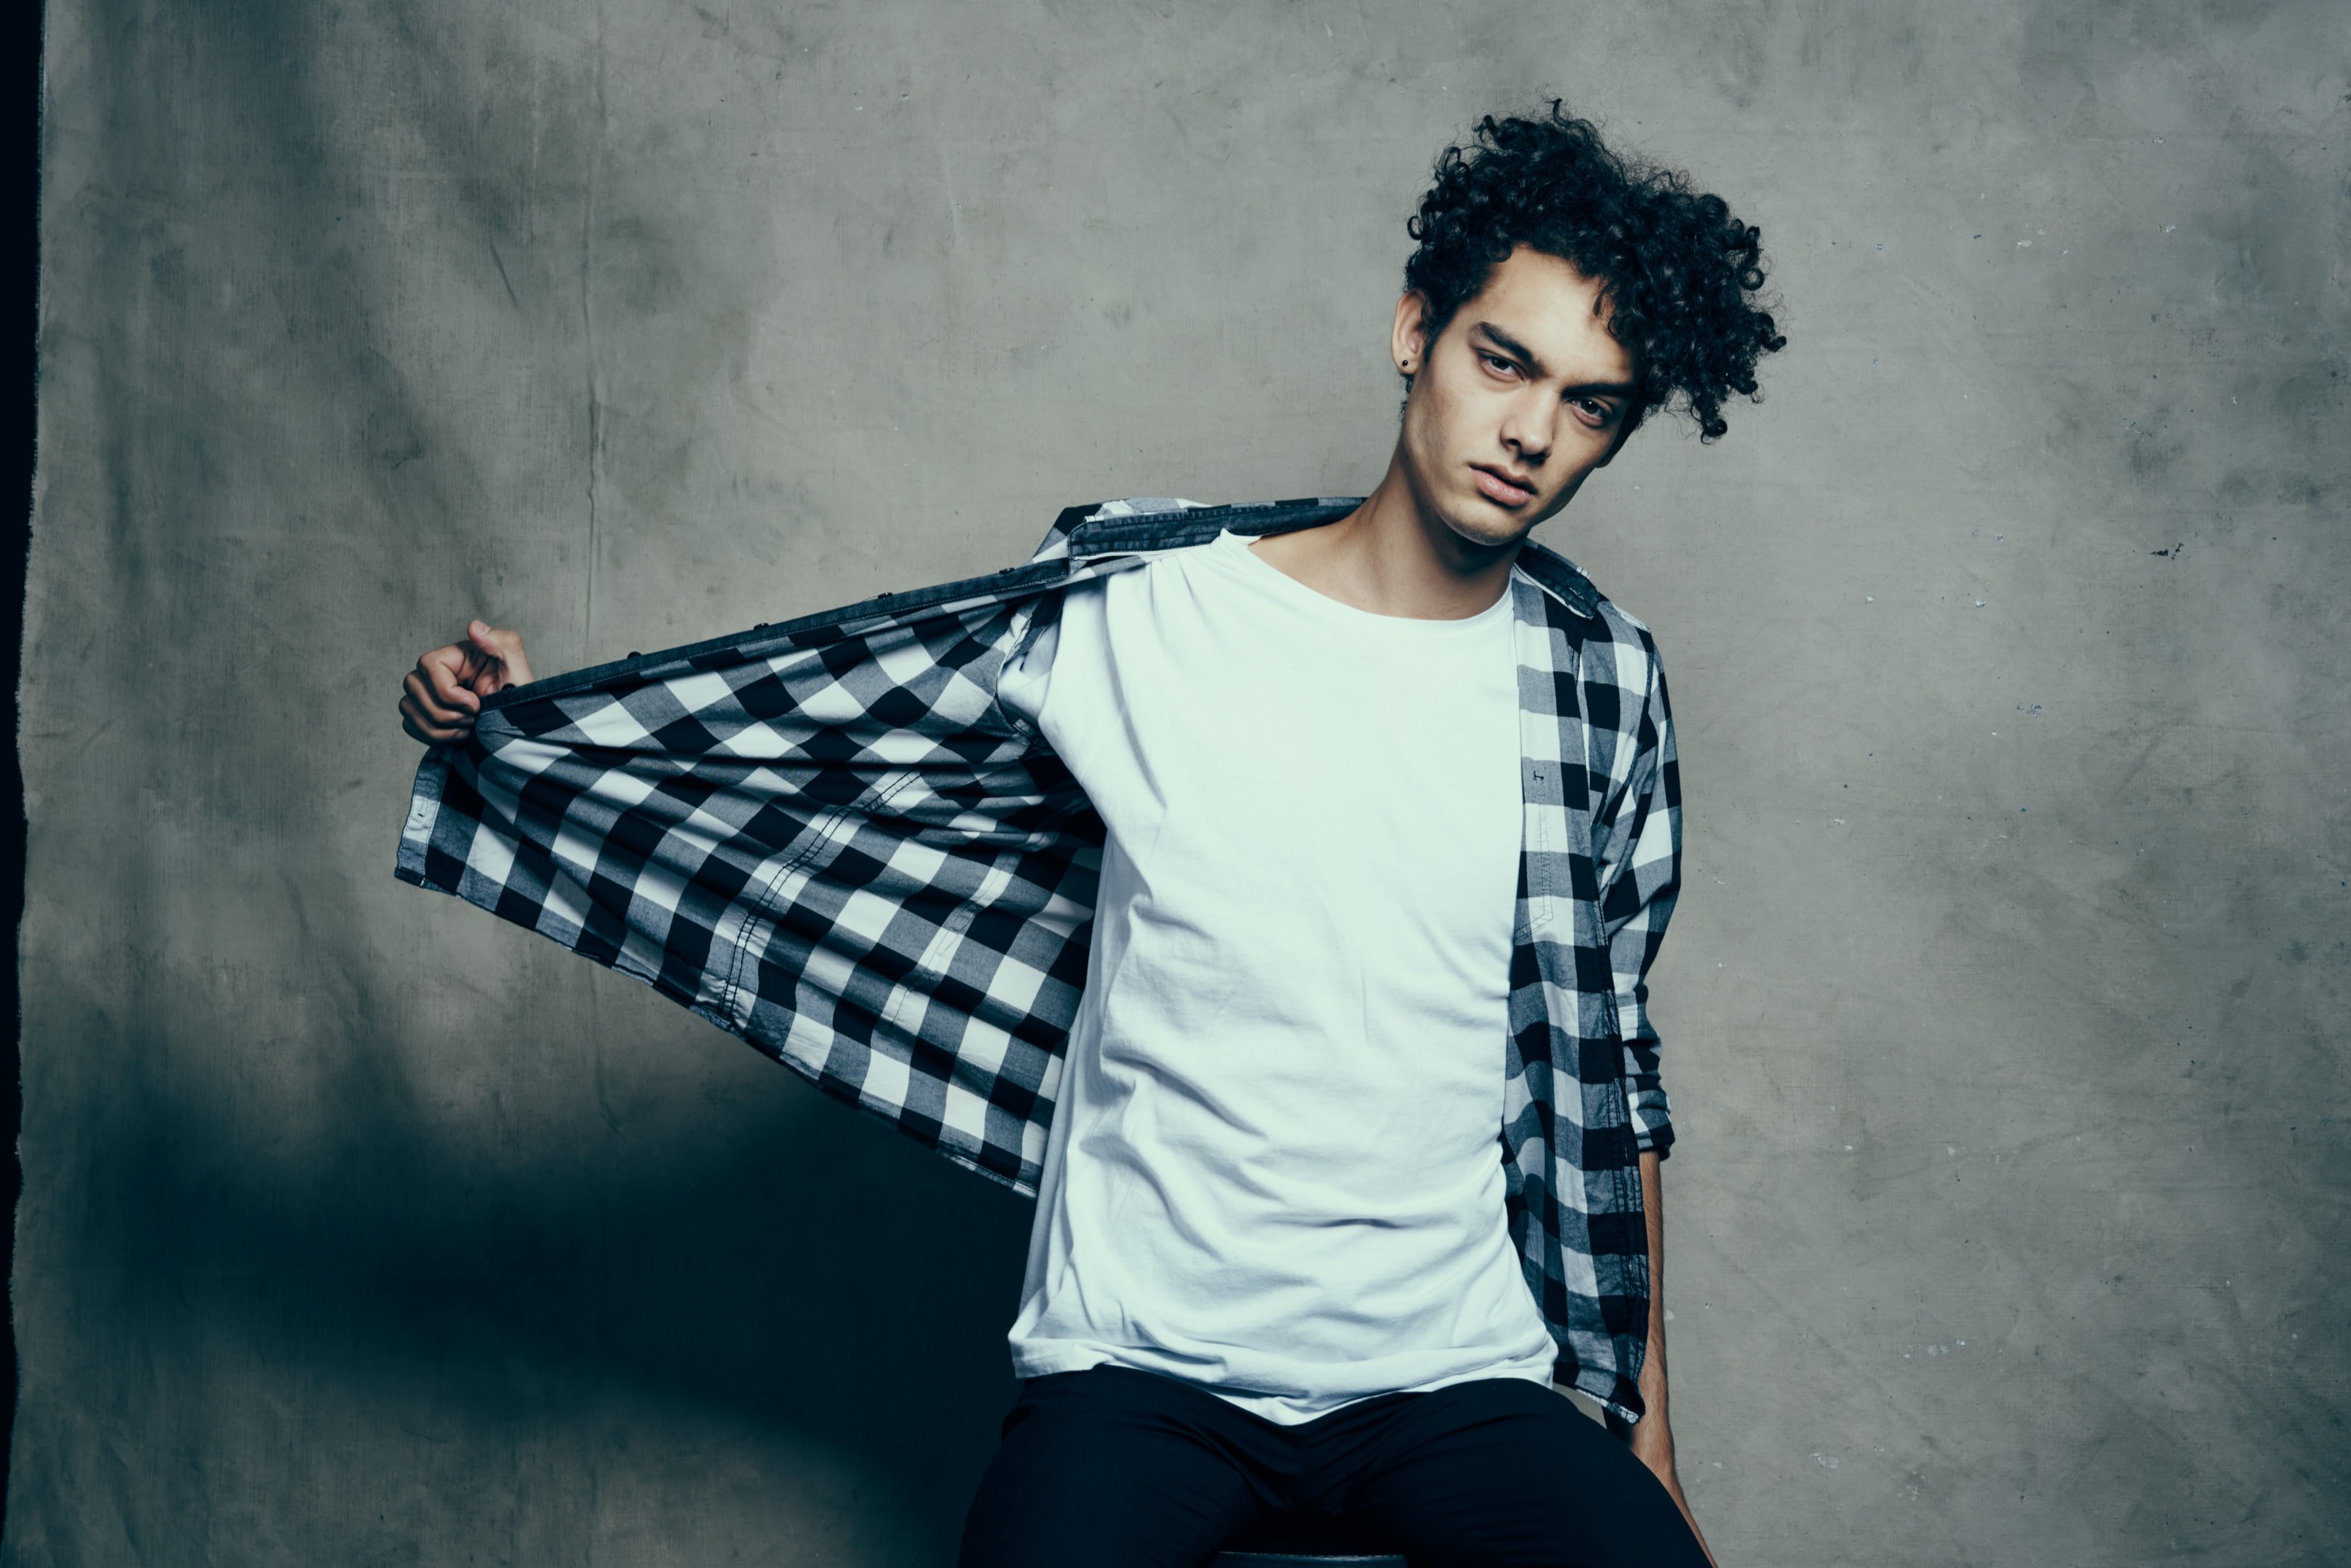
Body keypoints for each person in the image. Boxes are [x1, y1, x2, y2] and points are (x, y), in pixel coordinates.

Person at [397, 104, 1782, 1568]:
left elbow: (1605, 1072)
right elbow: (809, 728)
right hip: (1143, 1383)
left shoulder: (1593, 680)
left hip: (1453, 1382)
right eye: (1500, 360)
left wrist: (1645, 1443)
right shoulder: (1150, 611)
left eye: (1586, 403)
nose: (1525, 431)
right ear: (1412, 334)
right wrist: (517, 725)